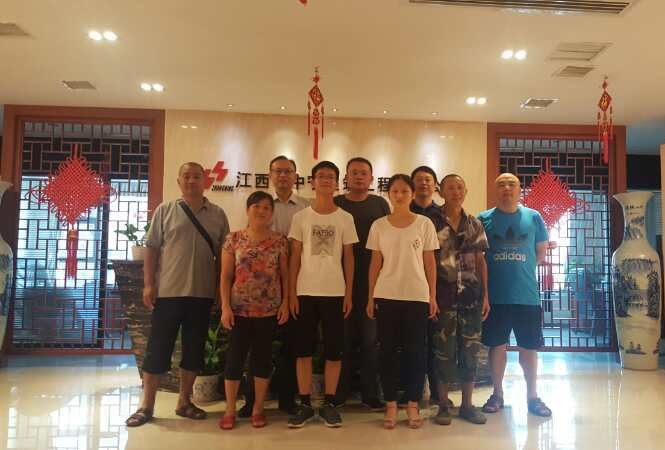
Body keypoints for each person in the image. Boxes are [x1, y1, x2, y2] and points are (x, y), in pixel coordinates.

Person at [125, 162, 230, 427]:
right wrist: (149, 284)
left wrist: (220, 290)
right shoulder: (165, 210)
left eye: (197, 176)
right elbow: (151, 249)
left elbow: (224, 256)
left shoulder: (218, 214)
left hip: (202, 294)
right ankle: (146, 405)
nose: (192, 180)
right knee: (157, 349)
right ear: (179, 181)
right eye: (187, 176)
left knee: (194, 351)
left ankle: (184, 402)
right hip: (168, 293)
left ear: (205, 181)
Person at [287, 160, 358, 428]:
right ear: (312, 182)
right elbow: (294, 257)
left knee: (334, 351)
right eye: (321, 176)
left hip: (335, 293)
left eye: (331, 176)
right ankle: (305, 404)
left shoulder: (345, 218)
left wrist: (348, 293)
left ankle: (329, 404)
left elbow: (349, 258)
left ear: (337, 183)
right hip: (304, 292)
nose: (326, 180)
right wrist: (291, 293)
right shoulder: (301, 217)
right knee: (303, 351)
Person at [366, 174, 439, 429]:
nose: (399, 195)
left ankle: (412, 404)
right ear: (389, 194)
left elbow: (430, 262)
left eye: (404, 191)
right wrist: (370, 296)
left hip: (416, 296)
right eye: (395, 191)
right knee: (387, 352)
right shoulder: (379, 225)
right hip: (386, 295)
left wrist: (432, 295)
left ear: (412, 194)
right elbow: (375, 263)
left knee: (415, 352)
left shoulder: (424, 223)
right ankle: (390, 404)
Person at [239, 155, 308, 417]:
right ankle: (252, 401)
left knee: (291, 343)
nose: (283, 176)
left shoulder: (305, 206)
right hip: (261, 288)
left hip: (296, 282)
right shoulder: (261, 204)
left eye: (288, 171)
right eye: (278, 171)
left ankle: (287, 399)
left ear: (295, 176)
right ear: (270, 175)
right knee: (257, 347)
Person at [477, 173, 552, 417]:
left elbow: (540, 254)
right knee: (496, 345)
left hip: (526, 296)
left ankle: (533, 396)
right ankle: (497, 393)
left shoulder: (534, 217)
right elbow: (478, 258)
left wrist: (521, 269)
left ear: (520, 189)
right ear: (495, 189)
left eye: (512, 184)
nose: (506, 188)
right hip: (495, 296)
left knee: (529, 348)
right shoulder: (483, 219)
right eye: (501, 184)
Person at [219, 191, 290, 430]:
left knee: (262, 362)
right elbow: (225, 276)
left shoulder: (280, 241)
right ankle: (230, 409)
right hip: (238, 311)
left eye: (266, 208)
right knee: (234, 362)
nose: (261, 211)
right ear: (248, 210)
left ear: (272, 213)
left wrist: (286, 302)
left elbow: (285, 276)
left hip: (268, 312)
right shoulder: (233, 239)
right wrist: (225, 307)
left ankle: (258, 409)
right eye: (256, 207)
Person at [431, 174, 490, 426]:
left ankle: (467, 405)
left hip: (471, 297)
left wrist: (486, 295)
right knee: (443, 351)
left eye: (459, 188)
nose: (455, 192)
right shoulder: (431, 222)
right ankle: (443, 405)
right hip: (443, 296)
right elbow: (426, 260)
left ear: (465, 192)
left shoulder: (474, 224)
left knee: (471, 351)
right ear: (441, 192)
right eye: (450, 188)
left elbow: (481, 261)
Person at [333, 157, 390, 411]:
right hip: (339, 282)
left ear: (371, 178)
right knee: (342, 341)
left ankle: (369, 394)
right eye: (354, 173)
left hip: (373, 283)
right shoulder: (337, 204)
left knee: (370, 342)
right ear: (346, 177)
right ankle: (338, 394)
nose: (358, 177)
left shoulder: (380, 204)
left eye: (363, 173)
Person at [408, 165, 445, 406]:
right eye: (419, 180)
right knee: (411, 342)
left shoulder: (443, 214)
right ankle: (412, 392)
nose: (423, 183)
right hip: (408, 285)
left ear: (435, 186)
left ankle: (437, 393)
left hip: (438, 285)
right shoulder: (403, 211)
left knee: (435, 341)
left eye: (428, 179)